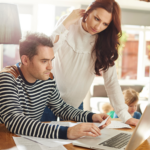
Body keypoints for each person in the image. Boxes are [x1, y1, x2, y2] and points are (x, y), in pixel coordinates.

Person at [41, 0, 139, 126]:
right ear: (88, 10)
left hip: (75, 106)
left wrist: (126, 117)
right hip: (47, 100)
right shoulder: (68, 23)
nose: (98, 27)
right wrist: (66, 22)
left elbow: (111, 82)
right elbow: (47, 52)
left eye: (105, 24)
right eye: (96, 18)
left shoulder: (105, 42)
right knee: (44, 142)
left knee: (74, 144)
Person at [0, 32, 111, 139]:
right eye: (44, 61)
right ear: (25, 60)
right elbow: (15, 122)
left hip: (29, 139)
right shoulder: (7, 79)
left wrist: (91, 116)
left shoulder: (47, 79)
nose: (50, 67)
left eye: (51, 60)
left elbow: (61, 108)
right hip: (6, 140)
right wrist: (67, 132)